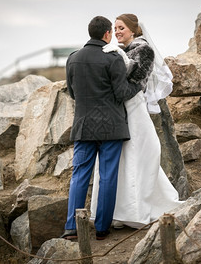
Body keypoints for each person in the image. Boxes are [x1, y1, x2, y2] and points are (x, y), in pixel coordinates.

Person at [91, 13, 183, 229]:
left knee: (137, 155)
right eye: (115, 28)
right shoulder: (119, 50)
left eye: (121, 27)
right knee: (121, 159)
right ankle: (119, 211)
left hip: (134, 109)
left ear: (134, 29)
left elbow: (136, 79)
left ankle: (136, 208)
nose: (117, 32)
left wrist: (119, 59)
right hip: (118, 111)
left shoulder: (144, 49)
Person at [61, 16, 142, 240]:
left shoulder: (73, 58)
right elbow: (122, 93)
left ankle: (71, 227)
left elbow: (73, 93)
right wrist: (138, 84)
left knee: (79, 176)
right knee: (107, 177)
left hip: (84, 126)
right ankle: (102, 228)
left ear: (90, 33)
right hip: (111, 127)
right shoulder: (113, 58)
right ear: (107, 34)